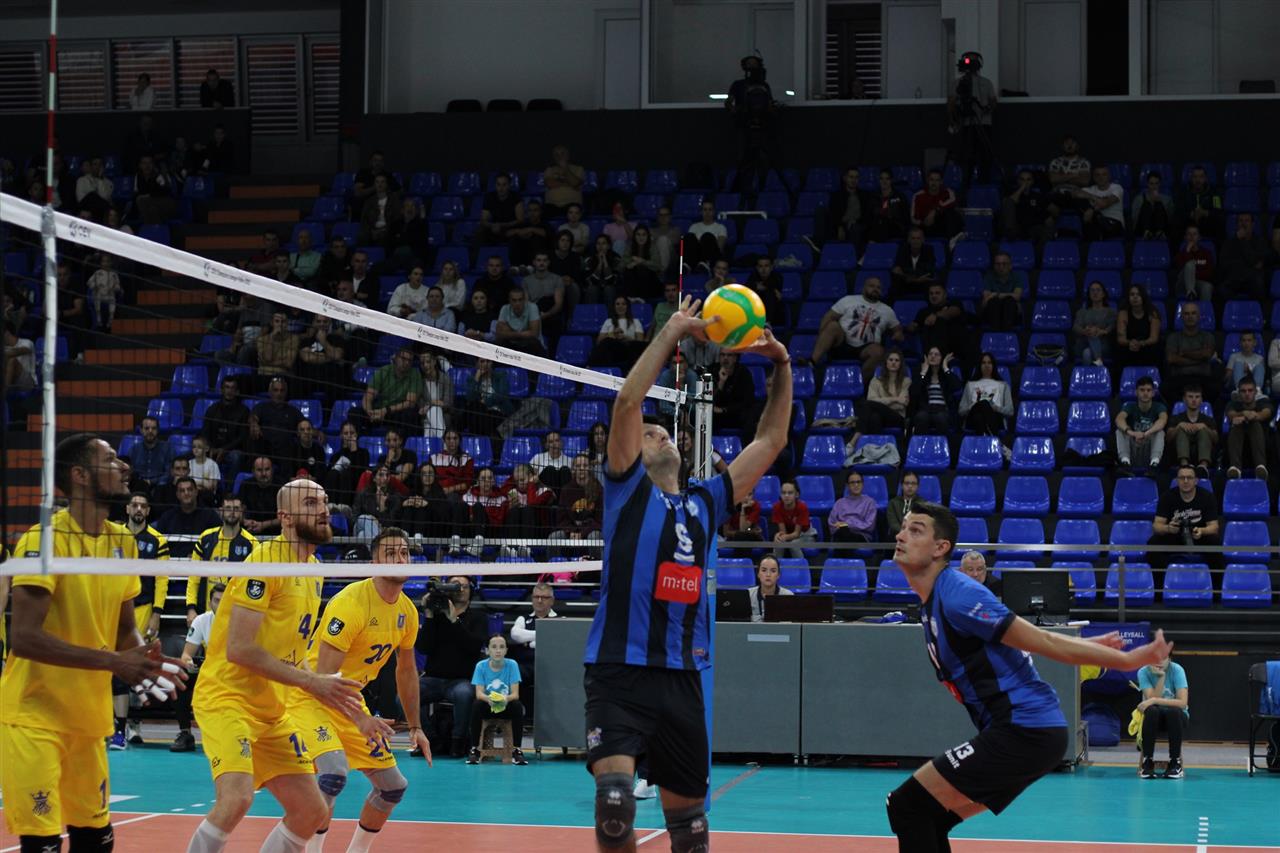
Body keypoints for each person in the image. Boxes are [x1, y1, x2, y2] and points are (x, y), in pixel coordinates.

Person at [583, 293, 791, 853]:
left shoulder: (705, 501)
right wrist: (673, 331)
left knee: (692, 834)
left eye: (665, 432)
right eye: (651, 433)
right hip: (619, 671)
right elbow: (628, 402)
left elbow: (770, 441)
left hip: (682, 679)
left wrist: (781, 365)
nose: (660, 435)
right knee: (615, 808)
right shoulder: (626, 492)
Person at [884, 501, 1172, 852]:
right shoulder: (934, 600)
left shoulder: (958, 594)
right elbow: (1026, 641)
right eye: (903, 528)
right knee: (927, 813)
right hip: (1025, 732)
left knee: (906, 805)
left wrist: (1125, 658)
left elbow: (1043, 641)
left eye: (916, 530)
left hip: (1024, 730)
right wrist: (1090, 644)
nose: (901, 536)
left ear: (940, 547)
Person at [3, 434, 186, 853]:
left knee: (96, 840)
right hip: (34, 716)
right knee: (43, 845)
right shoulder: (43, 540)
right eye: (111, 460)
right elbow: (24, 637)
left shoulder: (122, 541)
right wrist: (115, 662)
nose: (124, 467)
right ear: (80, 475)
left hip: (88, 718)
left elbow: (124, 628)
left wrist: (143, 660)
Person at [186, 479, 365, 853]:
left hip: (272, 709)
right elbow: (239, 649)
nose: (323, 509)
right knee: (236, 798)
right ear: (285, 517)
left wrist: (336, 698)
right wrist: (312, 683)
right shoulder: (266, 563)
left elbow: (292, 653)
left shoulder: (313, 569)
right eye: (311, 503)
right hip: (227, 699)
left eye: (325, 501)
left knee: (311, 811)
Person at [287, 527, 431, 852]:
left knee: (392, 787)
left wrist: (416, 726)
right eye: (390, 553)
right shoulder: (350, 604)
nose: (400, 559)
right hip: (311, 697)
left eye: (404, 553)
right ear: (374, 562)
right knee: (333, 774)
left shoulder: (407, 612)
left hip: (348, 699)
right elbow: (325, 678)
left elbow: (406, 671)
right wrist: (362, 720)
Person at [117, 491, 171, 746]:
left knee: (137, 666)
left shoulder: (157, 540)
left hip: (143, 608)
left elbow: (162, 578)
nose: (138, 509)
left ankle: (133, 724)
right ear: (127, 509)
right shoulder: (114, 535)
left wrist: (157, 613)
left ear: (148, 511)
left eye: (143, 506)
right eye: (135, 505)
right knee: (113, 665)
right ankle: (115, 725)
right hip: (114, 607)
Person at [417, 575, 489, 758]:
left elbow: (473, 647)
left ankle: (458, 742)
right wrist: (429, 617)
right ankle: (431, 739)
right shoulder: (436, 617)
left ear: (471, 591)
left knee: (464, 694)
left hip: (462, 679)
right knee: (404, 695)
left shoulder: (478, 617)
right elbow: (423, 648)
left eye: (464, 586)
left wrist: (454, 620)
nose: (460, 590)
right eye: (455, 586)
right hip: (433, 678)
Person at [806, 276, 903, 379]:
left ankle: (859, 382)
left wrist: (898, 334)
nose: (875, 289)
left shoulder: (887, 310)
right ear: (864, 288)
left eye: (878, 287)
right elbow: (829, 316)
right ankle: (812, 362)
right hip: (842, 343)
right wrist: (822, 335)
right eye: (872, 286)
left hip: (866, 349)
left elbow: (897, 329)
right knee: (832, 326)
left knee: (878, 351)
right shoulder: (848, 300)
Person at [187, 494, 256, 626]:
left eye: (236, 508)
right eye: (228, 508)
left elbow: (254, 583)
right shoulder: (206, 538)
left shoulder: (251, 543)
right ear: (221, 511)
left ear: (242, 511)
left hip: (236, 615)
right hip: (206, 613)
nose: (232, 512)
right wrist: (191, 608)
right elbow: (194, 577)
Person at [173, 582, 225, 753]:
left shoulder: (240, 620)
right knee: (181, 677)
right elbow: (186, 655)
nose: (221, 605)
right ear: (210, 603)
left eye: (224, 601)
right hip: (208, 672)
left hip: (232, 674)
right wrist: (189, 663)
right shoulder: (202, 620)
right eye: (217, 601)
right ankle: (185, 733)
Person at [1146, 464, 1221, 573]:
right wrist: (1168, 528)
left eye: (1189, 478)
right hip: (1174, 535)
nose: (1185, 481)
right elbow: (1156, 526)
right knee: (1153, 544)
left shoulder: (1207, 497)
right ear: (1177, 480)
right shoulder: (1167, 497)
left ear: (1196, 480)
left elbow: (1214, 527)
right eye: (1182, 478)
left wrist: (1202, 531)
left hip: (1198, 535)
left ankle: (1215, 583)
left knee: (1215, 543)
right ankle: (1161, 582)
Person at [466, 635, 528, 765]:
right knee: (476, 705)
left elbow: (515, 694)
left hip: (506, 705)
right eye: (494, 647)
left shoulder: (512, 665)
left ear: (506, 650)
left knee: (517, 705)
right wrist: (489, 699)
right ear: (487, 650)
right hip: (488, 705)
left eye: (501, 647)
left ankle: (517, 750)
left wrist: (505, 699)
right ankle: (474, 750)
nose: (498, 650)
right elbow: (479, 694)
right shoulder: (481, 666)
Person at [1136, 653, 1190, 779]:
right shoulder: (1143, 672)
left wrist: (1154, 700)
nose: (1158, 662)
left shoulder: (1177, 670)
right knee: (1152, 711)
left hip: (1177, 719)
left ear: (1169, 659)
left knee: (1173, 711)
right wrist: (1161, 677)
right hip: (1153, 719)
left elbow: (1182, 703)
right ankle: (1147, 762)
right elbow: (1151, 701)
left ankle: (1175, 763)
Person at [948, 51, 996, 188]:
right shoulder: (958, 83)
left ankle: (984, 184)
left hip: (983, 124)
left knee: (985, 155)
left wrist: (987, 108)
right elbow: (951, 102)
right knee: (966, 155)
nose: (970, 63)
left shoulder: (986, 83)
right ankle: (965, 185)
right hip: (965, 124)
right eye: (968, 60)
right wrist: (953, 119)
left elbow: (993, 101)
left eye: (973, 60)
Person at [508, 582, 557, 714]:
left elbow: (557, 642)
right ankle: (518, 710)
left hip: (551, 667)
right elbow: (516, 634)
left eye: (544, 597)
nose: (539, 601)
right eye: (536, 597)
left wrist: (529, 641)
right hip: (526, 666)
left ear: (552, 601)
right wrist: (543, 636)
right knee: (513, 670)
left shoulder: (560, 620)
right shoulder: (523, 619)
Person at [361, 345, 423, 435]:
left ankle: (404, 442)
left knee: (411, 414)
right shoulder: (383, 371)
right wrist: (370, 412)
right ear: (396, 358)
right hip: (378, 411)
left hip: (396, 412)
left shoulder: (415, 374)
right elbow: (368, 396)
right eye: (403, 359)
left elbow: (410, 402)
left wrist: (386, 410)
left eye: (409, 361)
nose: (406, 363)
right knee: (354, 413)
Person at [853, 348, 911, 445]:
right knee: (874, 417)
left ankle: (856, 438)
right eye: (890, 360)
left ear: (900, 364)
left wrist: (879, 402)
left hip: (897, 418)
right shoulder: (876, 381)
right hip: (880, 417)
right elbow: (871, 400)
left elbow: (901, 406)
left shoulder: (906, 381)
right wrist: (895, 399)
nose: (893, 362)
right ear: (886, 362)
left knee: (867, 405)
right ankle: (876, 448)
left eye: (897, 360)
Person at [1224, 376, 1271, 480]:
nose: (1247, 394)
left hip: (1261, 443)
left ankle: (1260, 467)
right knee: (1237, 424)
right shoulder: (1233, 404)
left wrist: (1251, 416)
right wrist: (1243, 414)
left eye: (1250, 390)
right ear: (1239, 393)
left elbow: (1266, 413)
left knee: (1255, 423)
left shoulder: (1263, 403)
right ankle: (1235, 468)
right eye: (1243, 391)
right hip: (1237, 442)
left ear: (1255, 392)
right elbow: (1231, 414)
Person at [1115, 376, 1168, 469]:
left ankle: (1154, 463)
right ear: (1136, 392)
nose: (1145, 393)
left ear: (1153, 393)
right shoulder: (1130, 406)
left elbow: (1162, 420)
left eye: (1148, 390)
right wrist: (1132, 433)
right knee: (1120, 431)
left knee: (1160, 432)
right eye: (1142, 390)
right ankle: (1125, 462)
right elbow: (1119, 419)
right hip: (1133, 447)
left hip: (1149, 447)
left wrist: (1146, 433)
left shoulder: (1159, 407)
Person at [1166, 385, 1217, 477]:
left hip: (1201, 452)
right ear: (1184, 399)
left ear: (1201, 400)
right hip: (1177, 454)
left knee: (1203, 430)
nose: (1194, 400)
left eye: (1197, 397)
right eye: (1190, 397)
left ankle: (1203, 467)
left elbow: (1216, 439)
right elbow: (1168, 438)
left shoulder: (1208, 419)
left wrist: (1205, 427)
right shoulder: (1176, 418)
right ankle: (1184, 465)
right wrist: (1178, 426)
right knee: (1181, 429)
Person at [959, 352, 1013, 436]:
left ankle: (983, 437)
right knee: (982, 405)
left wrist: (996, 408)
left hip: (996, 418)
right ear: (979, 366)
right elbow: (961, 411)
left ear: (993, 366)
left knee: (979, 417)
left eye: (989, 363)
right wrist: (971, 406)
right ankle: (993, 437)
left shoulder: (1003, 385)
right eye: (983, 363)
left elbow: (1010, 411)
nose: (986, 365)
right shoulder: (970, 385)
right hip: (972, 418)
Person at [910, 348, 961, 435]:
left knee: (940, 418)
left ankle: (943, 443)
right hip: (926, 409)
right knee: (921, 417)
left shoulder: (945, 376)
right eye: (930, 354)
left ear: (941, 358)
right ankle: (921, 443)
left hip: (942, 410)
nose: (933, 356)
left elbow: (957, 386)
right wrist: (923, 373)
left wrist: (945, 367)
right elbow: (913, 391)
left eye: (936, 354)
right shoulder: (921, 373)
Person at [1218, 212, 1268, 301]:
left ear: (1252, 224)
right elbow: (1223, 263)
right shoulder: (1229, 242)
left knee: (1259, 286)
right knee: (1222, 290)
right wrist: (1237, 239)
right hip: (1233, 278)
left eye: (1247, 220)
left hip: (1252, 278)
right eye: (1240, 221)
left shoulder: (1260, 241)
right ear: (1237, 224)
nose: (1243, 223)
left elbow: (1255, 261)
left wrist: (1242, 241)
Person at [1114, 284, 1162, 376]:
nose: (1135, 297)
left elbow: (1154, 338)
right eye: (1132, 294)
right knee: (1120, 351)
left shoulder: (1152, 313)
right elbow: (1121, 339)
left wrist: (1141, 343)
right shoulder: (1123, 313)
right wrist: (1130, 343)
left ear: (1143, 297)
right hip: (1129, 345)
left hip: (1147, 345)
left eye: (1138, 294)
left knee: (1155, 350)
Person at [590, 296, 648, 369]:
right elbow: (599, 342)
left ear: (627, 306)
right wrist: (612, 335)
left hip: (628, 350)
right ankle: (591, 367)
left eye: (623, 304)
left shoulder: (636, 322)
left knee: (635, 346)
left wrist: (626, 337)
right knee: (607, 341)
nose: (620, 306)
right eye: (617, 304)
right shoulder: (608, 321)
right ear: (614, 307)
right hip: (613, 352)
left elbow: (640, 342)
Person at [1075, 164, 1126, 240]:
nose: (1101, 178)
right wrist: (1093, 197)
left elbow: (1104, 203)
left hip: (1114, 224)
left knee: (1093, 219)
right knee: (1079, 202)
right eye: (1097, 175)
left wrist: (1092, 209)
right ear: (1093, 177)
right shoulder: (1090, 189)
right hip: (1096, 223)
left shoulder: (1117, 188)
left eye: (1104, 174)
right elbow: (1075, 193)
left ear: (1109, 176)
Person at [1072, 280, 1117, 366]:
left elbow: (1113, 326)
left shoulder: (1110, 312)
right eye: (1092, 290)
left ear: (1103, 294)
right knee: (1091, 333)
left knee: (1087, 353)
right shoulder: (1082, 312)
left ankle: (1097, 361)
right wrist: (1085, 331)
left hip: (1103, 344)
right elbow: (1076, 327)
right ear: (1089, 294)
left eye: (1098, 290)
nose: (1095, 292)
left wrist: (1102, 331)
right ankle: (1098, 360)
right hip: (1083, 343)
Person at [980, 251, 1025, 331]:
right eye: (998, 264)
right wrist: (1006, 295)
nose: (1001, 267)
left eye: (1004, 264)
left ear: (1010, 266)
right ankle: (996, 332)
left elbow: (1017, 296)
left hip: (1011, 314)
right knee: (994, 302)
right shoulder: (988, 277)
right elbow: (986, 299)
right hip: (993, 313)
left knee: (1009, 301)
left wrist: (995, 294)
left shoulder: (1016, 277)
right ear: (994, 266)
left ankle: (1005, 332)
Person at [911, 169, 963, 240]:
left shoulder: (948, 193)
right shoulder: (918, 195)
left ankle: (952, 240)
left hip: (943, 226)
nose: (934, 183)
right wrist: (923, 223)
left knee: (952, 213)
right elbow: (913, 218)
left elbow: (952, 202)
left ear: (941, 182)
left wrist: (935, 211)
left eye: (937, 180)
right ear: (927, 181)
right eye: (931, 180)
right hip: (925, 227)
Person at [771, 479, 817, 559]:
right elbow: (783, 532)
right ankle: (776, 565)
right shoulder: (777, 507)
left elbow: (796, 534)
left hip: (805, 535)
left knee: (793, 544)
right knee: (778, 543)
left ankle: (801, 566)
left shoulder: (802, 507)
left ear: (797, 494)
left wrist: (783, 537)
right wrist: (779, 536)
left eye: (790, 493)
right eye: (783, 493)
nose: (786, 496)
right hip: (789, 534)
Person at [496, 287, 546, 357]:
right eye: (514, 300)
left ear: (524, 300)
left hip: (530, 345)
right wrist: (524, 333)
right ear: (509, 300)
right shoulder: (505, 309)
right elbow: (499, 334)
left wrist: (510, 332)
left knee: (533, 342)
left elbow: (534, 334)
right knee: (500, 343)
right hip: (512, 345)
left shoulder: (532, 307)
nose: (517, 303)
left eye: (520, 300)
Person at [829, 471, 877, 543]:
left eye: (858, 482)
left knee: (846, 534)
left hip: (861, 535)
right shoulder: (839, 503)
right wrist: (844, 527)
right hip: (841, 533)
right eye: (852, 482)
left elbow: (869, 526)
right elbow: (832, 523)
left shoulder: (870, 502)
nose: (856, 485)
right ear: (847, 485)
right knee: (843, 532)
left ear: (863, 484)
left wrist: (847, 524)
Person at [892, 226, 939, 296]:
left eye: (918, 238)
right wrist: (916, 279)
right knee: (894, 285)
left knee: (932, 283)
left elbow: (928, 270)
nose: (916, 241)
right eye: (913, 238)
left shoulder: (928, 250)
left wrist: (907, 275)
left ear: (923, 240)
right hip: (906, 283)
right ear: (908, 240)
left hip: (922, 283)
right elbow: (897, 270)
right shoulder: (902, 250)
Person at [1174, 224, 1215, 302]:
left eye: (1194, 234)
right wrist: (1187, 251)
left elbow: (1209, 274)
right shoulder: (1181, 254)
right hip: (1183, 284)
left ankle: (1204, 308)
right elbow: (1180, 272)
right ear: (1185, 237)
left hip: (1198, 283)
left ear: (1199, 237)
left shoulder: (1206, 253)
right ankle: (1191, 293)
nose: (1192, 236)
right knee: (1189, 264)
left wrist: (1192, 274)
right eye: (1189, 234)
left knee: (1207, 286)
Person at [684, 199, 728, 271]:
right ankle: (688, 266)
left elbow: (719, 247)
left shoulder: (721, 227)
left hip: (712, 258)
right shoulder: (694, 227)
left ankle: (705, 265)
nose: (707, 212)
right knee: (689, 237)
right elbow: (690, 246)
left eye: (710, 210)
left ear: (714, 212)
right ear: (701, 212)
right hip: (696, 257)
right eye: (705, 210)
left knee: (707, 237)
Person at [747, 554, 794, 622]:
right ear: (758, 574)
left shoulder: (788, 596)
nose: (768, 574)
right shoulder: (748, 595)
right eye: (764, 570)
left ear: (778, 575)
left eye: (773, 571)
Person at [543, 144, 585, 216]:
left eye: (562, 153)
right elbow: (549, 184)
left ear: (567, 155)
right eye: (556, 155)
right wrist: (568, 183)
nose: (559, 157)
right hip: (551, 205)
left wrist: (565, 168)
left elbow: (575, 183)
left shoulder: (578, 169)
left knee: (573, 211)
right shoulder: (549, 169)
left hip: (572, 204)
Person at [1131, 172, 1174, 239]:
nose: (1154, 186)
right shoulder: (1138, 199)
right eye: (1151, 184)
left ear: (1160, 184)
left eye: (1156, 183)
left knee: (1158, 204)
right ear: (1147, 184)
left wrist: (1159, 202)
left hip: (1163, 228)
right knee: (1146, 204)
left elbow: (1171, 217)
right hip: (1142, 228)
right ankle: (1147, 232)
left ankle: (1159, 232)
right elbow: (1134, 218)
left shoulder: (1167, 199)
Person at [529, 431, 572, 495]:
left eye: (557, 440)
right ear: (546, 445)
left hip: (563, 494)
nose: (554, 444)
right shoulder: (538, 458)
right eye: (551, 442)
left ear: (561, 443)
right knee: (549, 470)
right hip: (544, 493)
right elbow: (528, 475)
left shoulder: (570, 461)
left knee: (565, 470)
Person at [886, 471, 920, 537]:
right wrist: (906, 533)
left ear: (917, 486)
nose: (910, 486)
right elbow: (893, 524)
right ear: (901, 485)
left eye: (913, 483)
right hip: (896, 537)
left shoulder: (922, 504)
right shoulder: (892, 503)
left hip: (915, 537)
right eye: (907, 483)